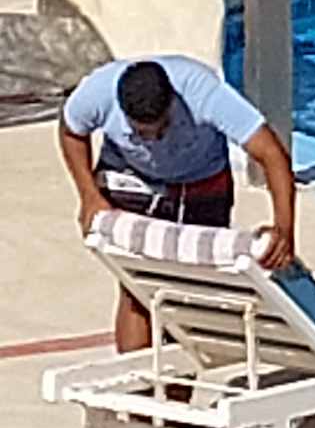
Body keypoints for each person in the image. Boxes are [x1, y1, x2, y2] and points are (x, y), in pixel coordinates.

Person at [59, 55, 296, 353]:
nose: (154, 140)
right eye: (142, 134)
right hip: (132, 177)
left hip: (201, 179)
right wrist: (89, 196)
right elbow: (71, 131)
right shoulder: (97, 92)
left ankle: (183, 373)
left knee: (194, 288)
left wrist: (284, 229)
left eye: (162, 129)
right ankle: (137, 375)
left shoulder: (203, 92)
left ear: (173, 102)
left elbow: (271, 154)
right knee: (138, 285)